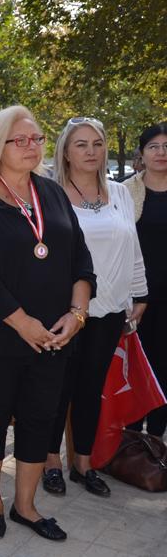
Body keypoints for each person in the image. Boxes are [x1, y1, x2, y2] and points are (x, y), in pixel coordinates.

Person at [0, 105, 95, 542]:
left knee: (40, 417)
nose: (33, 147)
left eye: (37, 139)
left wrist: (77, 314)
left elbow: (80, 260)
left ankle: (25, 506)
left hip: (53, 336)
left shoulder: (51, 193)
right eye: (22, 141)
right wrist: (23, 323)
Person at [42, 117, 147, 498]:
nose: (91, 151)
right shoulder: (50, 193)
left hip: (111, 310)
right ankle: (50, 461)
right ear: (66, 152)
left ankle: (83, 463)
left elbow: (132, 245)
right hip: (64, 310)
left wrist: (139, 295)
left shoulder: (119, 192)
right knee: (57, 389)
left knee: (90, 389)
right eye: (81, 144)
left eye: (97, 144)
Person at [124, 122, 167, 437]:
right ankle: (130, 436)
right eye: (154, 146)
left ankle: (157, 439)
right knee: (137, 366)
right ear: (142, 153)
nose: (161, 153)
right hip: (137, 296)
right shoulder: (125, 192)